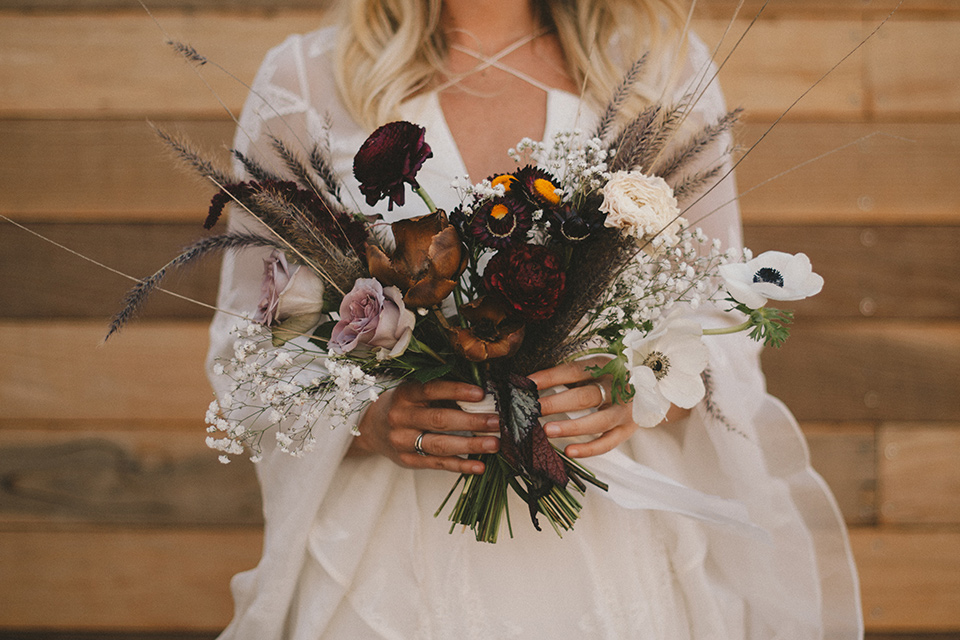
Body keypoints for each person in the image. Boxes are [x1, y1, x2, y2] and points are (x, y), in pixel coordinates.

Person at [207, 0, 862, 637]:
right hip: (392, 560)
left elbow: (719, 309)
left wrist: (640, 392)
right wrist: (367, 419)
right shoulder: (303, 80)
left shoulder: (660, 67)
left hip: (614, 545)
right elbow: (254, 338)